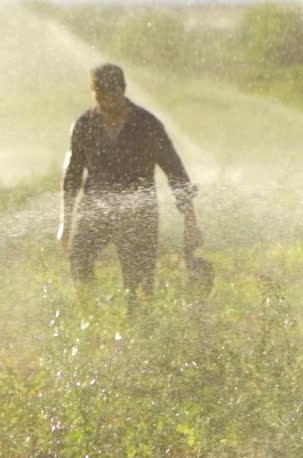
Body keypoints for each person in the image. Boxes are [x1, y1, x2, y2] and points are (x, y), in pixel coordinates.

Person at [58, 63, 201, 295]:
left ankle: (140, 324)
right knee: (79, 261)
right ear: (94, 94)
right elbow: (72, 175)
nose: (107, 102)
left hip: (139, 216)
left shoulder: (147, 125)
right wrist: (65, 224)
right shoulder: (84, 125)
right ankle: (91, 316)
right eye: (100, 96)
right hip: (96, 211)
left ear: (122, 90)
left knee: (139, 287)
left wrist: (191, 222)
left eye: (112, 95)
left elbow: (175, 172)